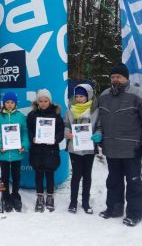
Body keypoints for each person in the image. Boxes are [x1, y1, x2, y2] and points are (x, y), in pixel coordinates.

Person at [97, 62, 142, 227]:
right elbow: (98, 120)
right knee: (113, 181)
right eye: (113, 76)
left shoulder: (137, 94)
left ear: (126, 77)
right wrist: (98, 135)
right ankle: (114, 208)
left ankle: (135, 213)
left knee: (134, 182)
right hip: (111, 149)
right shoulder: (104, 96)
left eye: (119, 76)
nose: (115, 79)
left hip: (132, 150)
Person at [64, 84, 101, 214]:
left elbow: (99, 127)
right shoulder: (70, 110)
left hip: (89, 149)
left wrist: (98, 134)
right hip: (74, 148)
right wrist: (67, 132)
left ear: (89, 96)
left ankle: (86, 202)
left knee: (87, 175)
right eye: (77, 96)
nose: (79, 99)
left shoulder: (95, 110)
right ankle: (73, 202)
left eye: (82, 96)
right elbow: (66, 125)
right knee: (76, 175)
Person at [0, 92, 29, 212]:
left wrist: (24, 145)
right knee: (5, 175)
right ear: (3, 103)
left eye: (12, 102)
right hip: (4, 153)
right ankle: (6, 196)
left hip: (17, 152)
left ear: (15, 103)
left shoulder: (21, 116)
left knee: (16, 175)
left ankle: (15, 195)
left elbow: (25, 133)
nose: (10, 105)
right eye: (7, 102)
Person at [27, 89, 64, 212]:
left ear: (50, 101)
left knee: (49, 174)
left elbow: (61, 132)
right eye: (40, 101)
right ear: (37, 102)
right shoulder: (32, 115)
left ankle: (50, 196)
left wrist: (55, 139)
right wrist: (32, 138)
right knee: (38, 175)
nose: (43, 103)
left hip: (51, 151)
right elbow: (28, 130)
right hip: (37, 150)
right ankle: (39, 197)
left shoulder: (56, 115)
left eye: (45, 101)